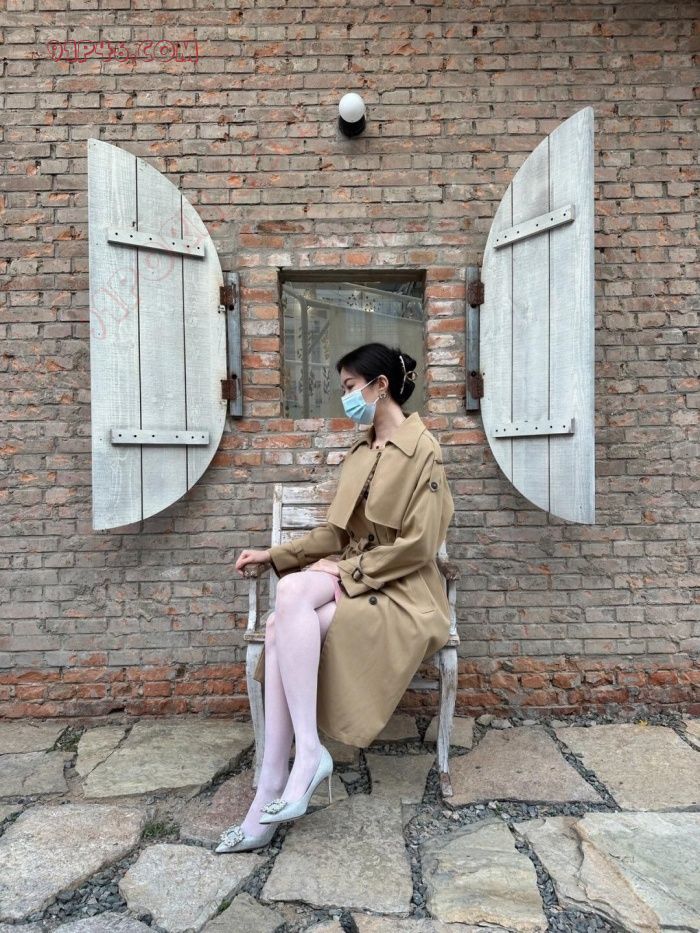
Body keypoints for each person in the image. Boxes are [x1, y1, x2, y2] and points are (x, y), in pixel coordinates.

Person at [217, 343, 453, 853]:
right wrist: (275, 554)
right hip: (358, 575)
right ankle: (290, 770)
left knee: (282, 619)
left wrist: (344, 569)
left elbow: (419, 547)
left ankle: (282, 778)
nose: (345, 398)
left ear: (380, 386)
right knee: (286, 606)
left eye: (350, 387)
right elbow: (336, 533)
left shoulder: (424, 450)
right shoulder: (361, 452)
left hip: (403, 590)